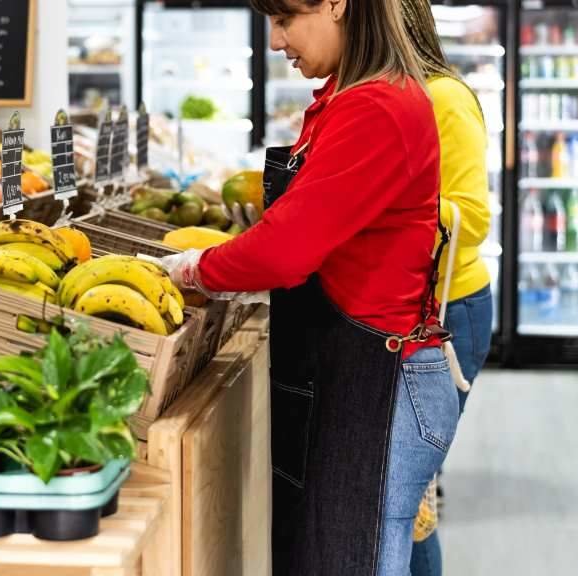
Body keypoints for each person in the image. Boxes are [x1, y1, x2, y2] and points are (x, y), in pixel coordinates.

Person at [160, 0, 460, 573]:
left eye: (285, 20)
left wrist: (192, 269)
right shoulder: (344, 99)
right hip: (355, 374)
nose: (276, 42)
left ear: (336, 4)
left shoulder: (378, 107)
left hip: (380, 385)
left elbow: (286, 251)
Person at [400, 1, 495, 575]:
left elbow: (471, 217)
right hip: (412, 306)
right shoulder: (386, 99)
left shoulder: (444, 98)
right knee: (406, 492)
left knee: (410, 493)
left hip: (451, 309)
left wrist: (375, 205)